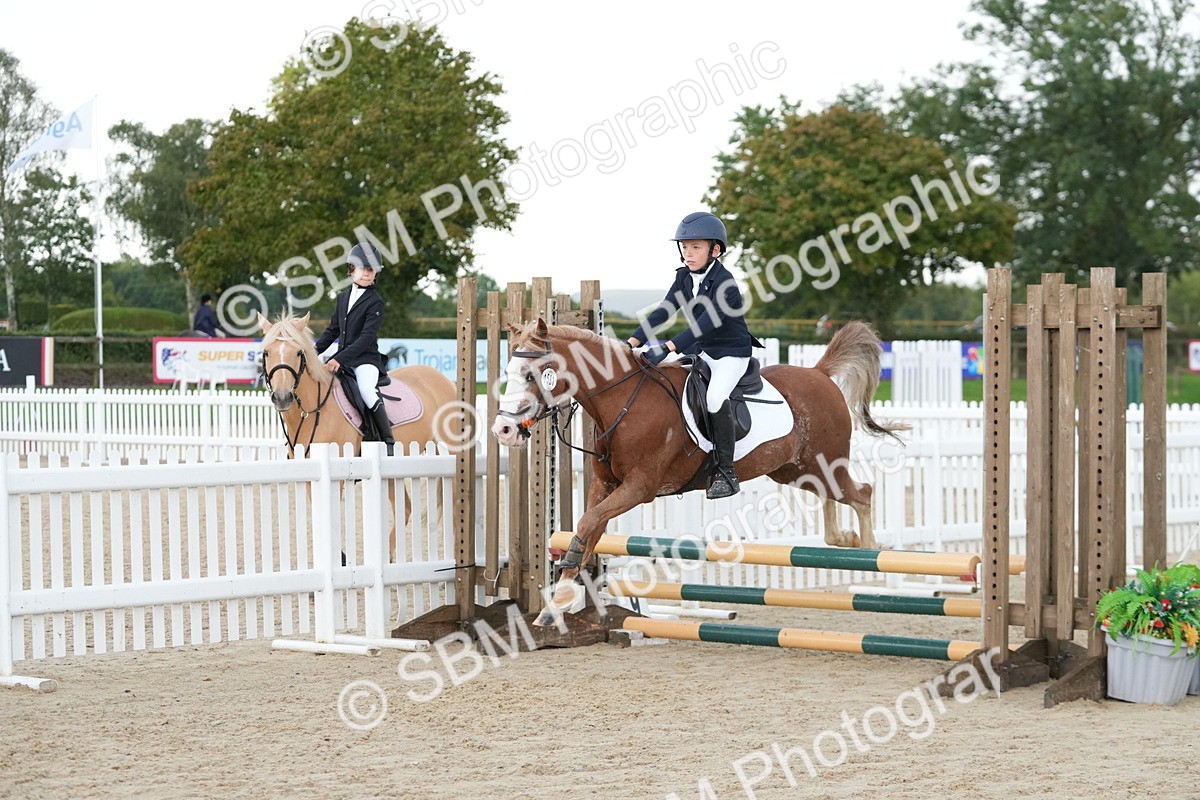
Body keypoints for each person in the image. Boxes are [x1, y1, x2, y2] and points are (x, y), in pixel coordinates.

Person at [626, 211, 757, 499]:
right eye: (685, 247)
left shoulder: (727, 285)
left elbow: (703, 325)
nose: (688, 253)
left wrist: (668, 348)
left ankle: (726, 472)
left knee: (714, 398)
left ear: (715, 250)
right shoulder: (684, 277)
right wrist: (633, 341)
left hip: (730, 354)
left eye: (696, 247)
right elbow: (665, 310)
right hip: (704, 351)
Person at [313, 242, 394, 456]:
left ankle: (387, 440)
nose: (367, 273)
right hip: (344, 360)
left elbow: (366, 338)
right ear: (351, 270)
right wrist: (312, 353)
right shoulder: (342, 298)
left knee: (367, 390)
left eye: (371, 270)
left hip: (366, 360)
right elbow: (332, 331)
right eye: (363, 269)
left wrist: (338, 358)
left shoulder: (375, 302)